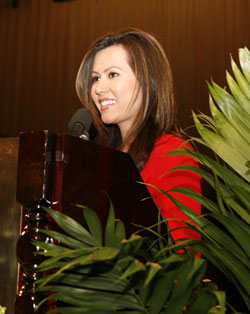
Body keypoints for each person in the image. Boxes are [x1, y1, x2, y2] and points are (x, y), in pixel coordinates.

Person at [75, 28, 201, 243]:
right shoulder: (105, 157)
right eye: (95, 78)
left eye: (112, 74)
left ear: (148, 80)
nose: (98, 88)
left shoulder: (172, 154)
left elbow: (183, 255)